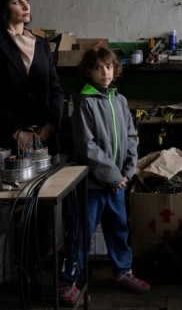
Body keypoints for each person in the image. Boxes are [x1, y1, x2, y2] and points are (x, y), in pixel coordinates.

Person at [0, 0, 64, 310]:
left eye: (27, 0)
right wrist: (15, 132)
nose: (25, 5)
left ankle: (33, 278)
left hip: (43, 142)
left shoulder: (40, 45)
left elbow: (55, 90)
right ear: (2, 7)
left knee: (42, 214)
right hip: (5, 141)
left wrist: (49, 126)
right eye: (16, 1)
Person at [57, 47, 150, 307]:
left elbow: (131, 138)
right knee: (81, 234)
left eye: (109, 67)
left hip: (118, 184)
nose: (105, 73)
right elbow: (87, 147)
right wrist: (113, 176)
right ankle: (65, 283)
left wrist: (128, 172)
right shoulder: (84, 102)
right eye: (98, 68)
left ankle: (123, 272)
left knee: (119, 230)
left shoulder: (119, 100)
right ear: (88, 72)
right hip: (94, 185)